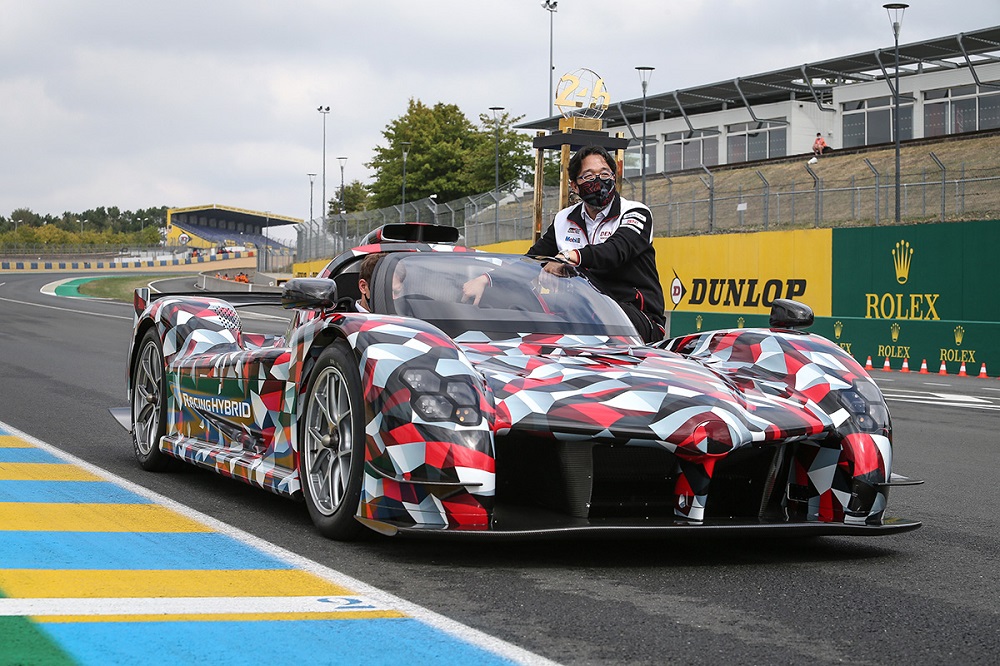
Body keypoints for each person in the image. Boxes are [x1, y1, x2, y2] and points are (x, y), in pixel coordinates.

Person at [463, 145, 665, 343]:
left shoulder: (636, 212)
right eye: (588, 176)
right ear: (574, 186)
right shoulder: (564, 219)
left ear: (614, 177)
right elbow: (532, 262)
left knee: (589, 321)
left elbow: (616, 251)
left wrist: (569, 258)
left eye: (604, 174)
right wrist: (488, 279)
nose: (598, 181)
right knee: (517, 314)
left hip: (635, 317)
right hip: (580, 312)